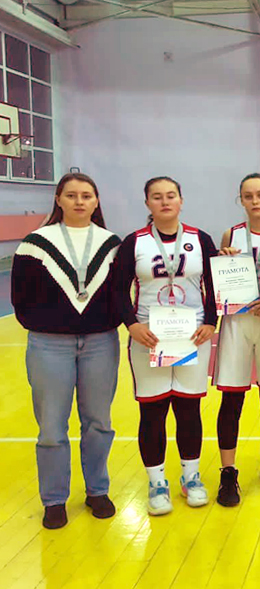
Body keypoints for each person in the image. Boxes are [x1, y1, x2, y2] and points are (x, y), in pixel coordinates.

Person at [12, 173, 121, 529]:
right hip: (49, 344)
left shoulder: (112, 244)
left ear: (96, 201)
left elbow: (121, 293)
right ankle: (54, 499)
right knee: (51, 427)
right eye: (71, 195)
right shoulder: (35, 243)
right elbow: (20, 297)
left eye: (86, 195)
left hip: (100, 343)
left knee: (99, 423)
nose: (79, 201)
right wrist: (49, 324)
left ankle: (97, 491)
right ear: (58, 199)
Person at [117, 176, 218, 516]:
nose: (165, 202)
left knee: (189, 408)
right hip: (150, 336)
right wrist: (132, 325)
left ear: (181, 200)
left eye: (171, 195)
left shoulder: (200, 239)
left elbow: (214, 284)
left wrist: (211, 322)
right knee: (153, 410)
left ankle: (191, 478)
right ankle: (157, 483)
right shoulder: (134, 242)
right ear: (147, 203)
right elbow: (117, 290)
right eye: (157, 197)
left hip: (193, 335)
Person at [213, 173, 260, 507]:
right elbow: (217, 281)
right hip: (237, 322)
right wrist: (223, 259)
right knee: (232, 398)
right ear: (241, 200)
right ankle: (228, 471)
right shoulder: (231, 235)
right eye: (248, 196)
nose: (255, 201)